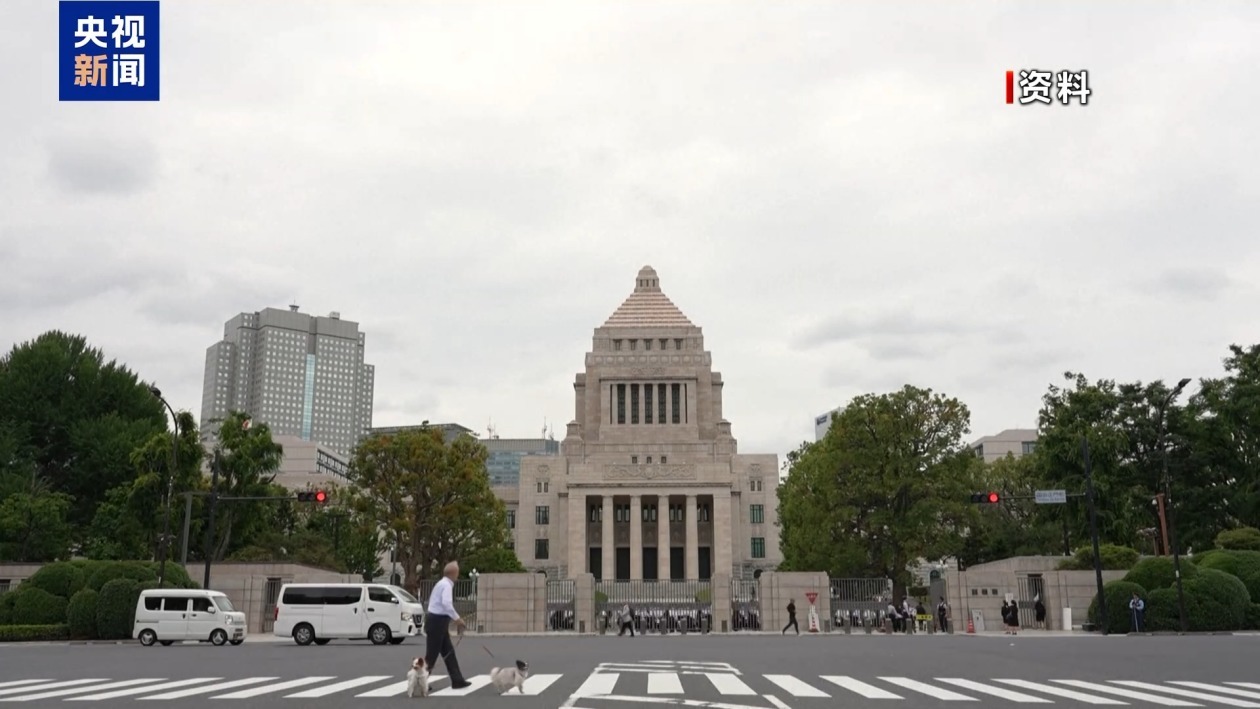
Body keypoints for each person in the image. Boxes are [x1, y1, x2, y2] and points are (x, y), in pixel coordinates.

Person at [425, 561, 471, 690]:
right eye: (458, 572)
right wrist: (458, 619)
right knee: (431, 655)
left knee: (449, 652)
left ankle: (457, 680)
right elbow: (446, 604)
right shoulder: (446, 585)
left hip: (437, 622)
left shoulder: (441, 583)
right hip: (437, 622)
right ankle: (420, 681)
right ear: (454, 573)